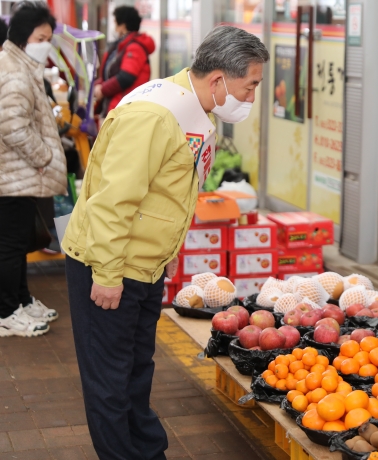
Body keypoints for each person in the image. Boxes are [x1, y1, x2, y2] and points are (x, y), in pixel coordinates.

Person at [62, 26, 269, 459]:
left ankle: (147, 451)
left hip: (145, 264)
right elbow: (113, 201)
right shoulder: (154, 116)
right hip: (110, 265)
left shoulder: (192, 107)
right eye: (249, 86)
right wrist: (107, 274)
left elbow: (171, 188)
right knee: (110, 379)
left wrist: (170, 251)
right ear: (218, 80)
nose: (251, 98)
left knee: (137, 369)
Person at [0, 1, 65, 336]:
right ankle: (6, 311)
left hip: (17, 175)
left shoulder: (20, 64)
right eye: (42, 37)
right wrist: (43, 157)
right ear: (25, 38)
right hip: (14, 175)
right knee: (10, 245)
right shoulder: (13, 70)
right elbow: (11, 126)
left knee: (18, 243)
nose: (46, 45)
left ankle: (21, 301)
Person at [94, 5, 155, 117]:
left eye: (115, 23)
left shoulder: (135, 48)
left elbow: (126, 77)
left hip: (125, 109)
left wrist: (102, 90)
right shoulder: (121, 45)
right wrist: (96, 86)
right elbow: (109, 75)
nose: (115, 28)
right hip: (116, 106)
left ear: (123, 26)